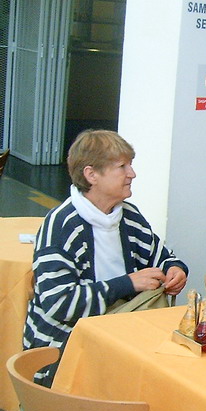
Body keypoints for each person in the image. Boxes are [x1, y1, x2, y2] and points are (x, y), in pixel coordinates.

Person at [24, 129, 188, 387]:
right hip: (64, 350)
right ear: (92, 175)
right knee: (156, 379)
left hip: (119, 336)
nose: (132, 174)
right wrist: (128, 284)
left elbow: (162, 256)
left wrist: (175, 269)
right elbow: (59, 303)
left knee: (171, 372)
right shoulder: (61, 226)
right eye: (122, 167)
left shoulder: (128, 215)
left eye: (130, 165)